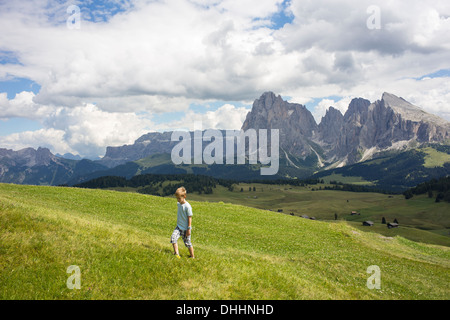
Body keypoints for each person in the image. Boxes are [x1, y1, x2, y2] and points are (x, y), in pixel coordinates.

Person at [170, 187, 195, 259]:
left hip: (185, 228)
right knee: (173, 238)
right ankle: (176, 253)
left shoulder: (187, 206)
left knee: (188, 243)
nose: (178, 200)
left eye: (179, 198)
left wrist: (189, 229)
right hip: (178, 227)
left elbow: (189, 217)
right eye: (177, 198)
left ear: (184, 197)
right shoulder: (179, 204)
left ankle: (192, 256)